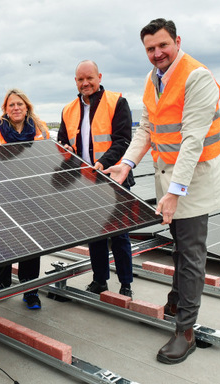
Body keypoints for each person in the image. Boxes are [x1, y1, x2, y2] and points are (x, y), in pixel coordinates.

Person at [104, 18, 220, 365]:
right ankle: (177, 298)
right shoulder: (153, 79)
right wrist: (126, 164)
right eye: (150, 49)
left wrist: (175, 192)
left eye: (162, 46)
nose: (157, 53)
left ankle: (184, 330)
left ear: (177, 41)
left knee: (191, 254)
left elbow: (192, 140)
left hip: (193, 182)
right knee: (179, 244)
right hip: (168, 180)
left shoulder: (196, 76)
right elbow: (146, 127)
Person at [57, 60, 136, 298]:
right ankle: (99, 280)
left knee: (119, 234)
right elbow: (62, 142)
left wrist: (104, 163)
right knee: (95, 235)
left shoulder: (117, 102)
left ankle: (125, 283)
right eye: (80, 79)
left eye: (89, 78)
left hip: (114, 178)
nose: (85, 83)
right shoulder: (69, 109)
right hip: (86, 181)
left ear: (99, 77)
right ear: (75, 81)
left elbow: (123, 140)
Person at [0, 89, 49, 309]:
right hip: (5, 192)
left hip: (33, 192)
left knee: (31, 240)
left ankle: (30, 289)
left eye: (19, 104)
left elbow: (47, 159)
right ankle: (2, 284)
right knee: (3, 238)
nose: (15, 108)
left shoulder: (40, 128)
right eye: (11, 105)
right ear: (5, 108)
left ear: (27, 107)